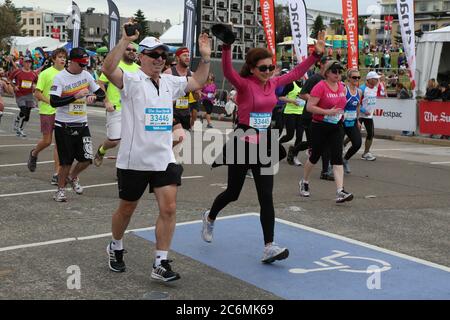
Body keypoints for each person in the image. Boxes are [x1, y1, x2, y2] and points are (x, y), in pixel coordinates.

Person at [201, 30, 326, 264]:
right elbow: (228, 71)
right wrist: (227, 46)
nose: (268, 72)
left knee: (266, 196)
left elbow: (298, 72)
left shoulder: (275, 83)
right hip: (243, 142)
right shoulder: (245, 84)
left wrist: (315, 55)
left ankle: (269, 246)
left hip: (265, 144)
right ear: (251, 68)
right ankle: (210, 217)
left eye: (270, 67)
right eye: (263, 68)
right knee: (233, 193)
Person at [101, 24, 211, 281]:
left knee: (169, 208)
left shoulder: (171, 82)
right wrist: (124, 40)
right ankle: (115, 245)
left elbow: (198, 80)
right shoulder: (130, 79)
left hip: (163, 158)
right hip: (134, 160)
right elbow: (107, 69)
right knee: (127, 209)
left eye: (164, 56)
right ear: (142, 56)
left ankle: (160, 263)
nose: (160, 60)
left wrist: (205, 57)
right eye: (154, 55)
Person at [49, 47, 106, 202]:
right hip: (64, 126)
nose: (84, 67)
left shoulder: (86, 75)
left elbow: (101, 93)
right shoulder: (60, 78)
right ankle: (60, 191)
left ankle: (73, 177)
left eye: (85, 64)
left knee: (87, 159)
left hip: (82, 124)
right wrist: (74, 96)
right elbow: (54, 101)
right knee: (66, 162)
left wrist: (94, 96)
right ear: (72, 62)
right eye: (81, 64)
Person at [298, 60, 353, 203]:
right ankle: (304, 181)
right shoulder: (320, 86)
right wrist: (327, 112)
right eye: (334, 71)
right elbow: (310, 107)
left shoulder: (341, 86)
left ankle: (340, 191)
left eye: (340, 71)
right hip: (319, 126)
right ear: (327, 72)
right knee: (315, 156)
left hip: (336, 126)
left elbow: (341, 105)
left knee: (337, 157)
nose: (338, 74)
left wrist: (341, 114)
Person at [93, 43, 140, 167]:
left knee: (130, 141)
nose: (131, 51)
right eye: (128, 49)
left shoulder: (139, 69)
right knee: (114, 141)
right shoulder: (115, 66)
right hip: (115, 108)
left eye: (134, 50)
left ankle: (123, 169)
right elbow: (100, 83)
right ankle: (101, 150)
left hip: (133, 110)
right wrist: (106, 101)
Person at [27, 48, 68, 185]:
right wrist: (50, 101)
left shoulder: (67, 74)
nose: (63, 59)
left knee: (60, 144)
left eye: (64, 57)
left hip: (62, 112)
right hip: (47, 111)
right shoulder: (45, 74)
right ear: (53, 59)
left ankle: (57, 174)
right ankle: (34, 153)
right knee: (47, 141)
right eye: (60, 57)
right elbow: (37, 93)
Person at [298, 56, 335, 181]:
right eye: (329, 65)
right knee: (315, 146)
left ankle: (325, 171)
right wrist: (316, 101)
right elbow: (302, 94)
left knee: (324, 145)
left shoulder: (330, 80)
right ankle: (295, 150)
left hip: (325, 117)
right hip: (310, 116)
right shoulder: (314, 78)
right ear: (322, 65)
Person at [164, 47, 200, 130]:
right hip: (172, 112)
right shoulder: (169, 72)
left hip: (185, 112)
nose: (187, 57)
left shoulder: (192, 74)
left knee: (181, 139)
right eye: (184, 55)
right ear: (177, 58)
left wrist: (197, 92)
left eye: (188, 55)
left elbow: (196, 97)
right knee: (176, 137)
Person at [279, 79, 305, 166]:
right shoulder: (291, 84)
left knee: (300, 136)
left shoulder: (305, 84)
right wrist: (292, 101)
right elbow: (281, 97)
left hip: (301, 113)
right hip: (290, 112)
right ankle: (277, 144)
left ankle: (294, 156)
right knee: (290, 135)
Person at [9, 56, 38, 137]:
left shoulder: (33, 73)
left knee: (27, 114)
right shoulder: (17, 71)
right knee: (24, 110)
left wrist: (34, 86)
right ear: (23, 63)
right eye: (26, 62)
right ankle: (17, 120)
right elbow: (10, 79)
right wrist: (14, 86)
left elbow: (36, 82)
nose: (28, 64)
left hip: (29, 95)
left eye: (30, 62)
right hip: (20, 94)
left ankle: (21, 129)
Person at [342, 69, 362, 174]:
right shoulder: (344, 90)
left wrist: (357, 120)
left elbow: (358, 106)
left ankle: (345, 159)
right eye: (354, 77)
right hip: (341, 122)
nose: (357, 79)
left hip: (352, 121)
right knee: (337, 144)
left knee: (357, 143)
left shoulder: (359, 91)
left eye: (358, 77)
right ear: (349, 78)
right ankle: (330, 166)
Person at [359, 71, 380, 161]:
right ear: (370, 79)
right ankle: (343, 145)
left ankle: (366, 152)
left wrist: (371, 110)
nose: (377, 80)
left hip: (369, 116)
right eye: (375, 79)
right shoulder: (362, 89)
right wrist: (364, 110)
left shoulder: (375, 88)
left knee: (371, 134)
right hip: (359, 115)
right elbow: (356, 102)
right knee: (354, 134)